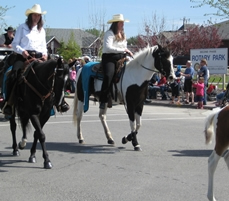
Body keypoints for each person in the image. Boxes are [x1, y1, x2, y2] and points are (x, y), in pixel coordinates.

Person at [2, 4, 68, 116]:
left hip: (39, 57)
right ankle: (9, 103)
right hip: (23, 56)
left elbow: (43, 46)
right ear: (31, 15)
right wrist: (22, 51)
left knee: (53, 75)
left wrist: (45, 55)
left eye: (39, 15)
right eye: (35, 15)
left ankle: (56, 102)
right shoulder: (22, 27)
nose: (37, 17)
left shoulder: (41, 30)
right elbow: (15, 44)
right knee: (14, 74)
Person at [99, 14, 133, 109]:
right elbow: (108, 48)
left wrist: (128, 51)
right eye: (121, 22)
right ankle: (103, 99)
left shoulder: (123, 34)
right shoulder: (109, 33)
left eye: (123, 22)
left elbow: (124, 47)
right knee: (109, 75)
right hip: (109, 58)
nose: (123, 24)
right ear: (116, 23)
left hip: (122, 57)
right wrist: (122, 50)